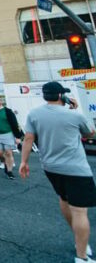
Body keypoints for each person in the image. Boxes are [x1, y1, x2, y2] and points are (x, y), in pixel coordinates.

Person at [20, 81, 96, 263]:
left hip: (51, 167)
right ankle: (82, 256)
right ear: (62, 96)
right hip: (76, 168)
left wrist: (23, 161)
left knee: (64, 199)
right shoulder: (74, 115)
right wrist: (75, 110)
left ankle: (79, 240)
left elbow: (28, 138)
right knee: (79, 211)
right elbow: (91, 133)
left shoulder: (34, 114)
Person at [0, 94, 22, 179]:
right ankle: (5, 162)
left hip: (7, 134)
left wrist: (17, 137)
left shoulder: (8, 111)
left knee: (9, 153)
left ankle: (9, 171)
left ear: (1, 101)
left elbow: (14, 124)